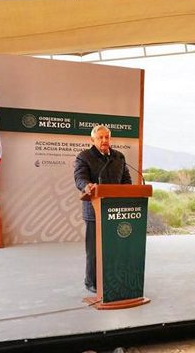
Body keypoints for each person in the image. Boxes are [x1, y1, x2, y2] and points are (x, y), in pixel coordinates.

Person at [74, 125, 132, 293]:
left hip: (116, 211)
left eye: (107, 137)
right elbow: (79, 178)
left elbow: (126, 179)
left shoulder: (118, 157)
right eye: (100, 138)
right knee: (94, 249)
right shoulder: (84, 157)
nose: (105, 140)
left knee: (114, 248)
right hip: (94, 211)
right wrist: (87, 186)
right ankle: (91, 281)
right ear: (92, 140)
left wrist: (127, 191)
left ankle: (112, 276)